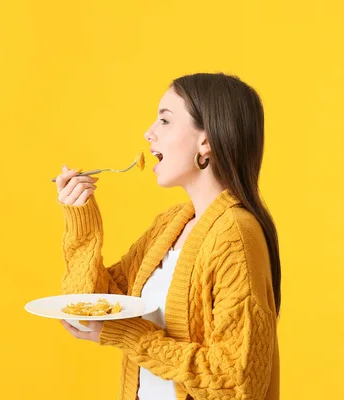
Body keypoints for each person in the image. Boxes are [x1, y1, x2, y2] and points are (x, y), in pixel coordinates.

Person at [54, 73, 281, 400]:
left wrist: (131, 336)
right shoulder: (171, 224)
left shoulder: (234, 234)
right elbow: (89, 305)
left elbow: (235, 383)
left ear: (206, 141)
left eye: (164, 120)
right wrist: (81, 219)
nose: (149, 133)